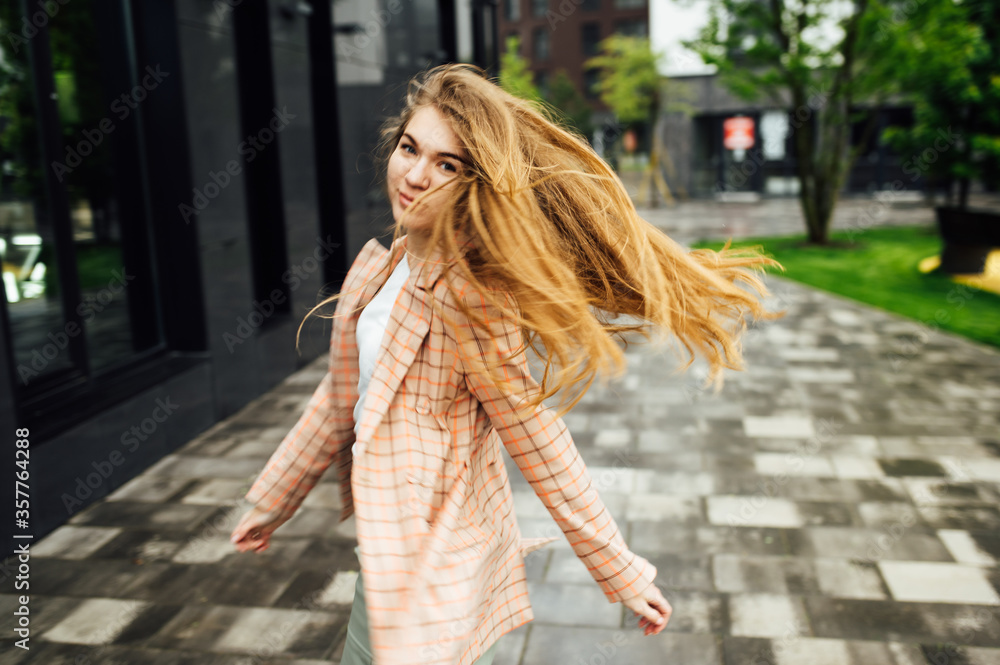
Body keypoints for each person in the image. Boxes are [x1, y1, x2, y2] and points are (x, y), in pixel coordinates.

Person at [230, 63, 781, 665]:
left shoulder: (470, 296)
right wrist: (273, 501)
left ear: (476, 183)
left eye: (447, 165)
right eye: (409, 148)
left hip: (432, 562)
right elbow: (343, 397)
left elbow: (539, 440)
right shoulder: (386, 265)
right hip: (390, 552)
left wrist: (621, 570)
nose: (415, 176)